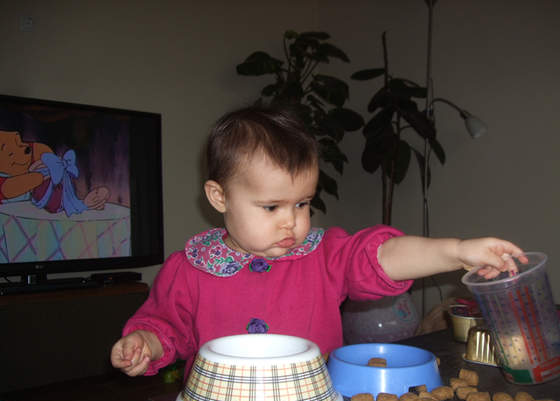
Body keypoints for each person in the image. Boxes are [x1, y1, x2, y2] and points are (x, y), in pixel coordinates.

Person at [110, 105, 526, 378]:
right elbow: (166, 326)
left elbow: (383, 256)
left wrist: (455, 251)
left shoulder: (323, 254)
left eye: (302, 203)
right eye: (271, 207)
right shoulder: (190, 267)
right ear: (220, 198)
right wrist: (146, 343)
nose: (291, 222)